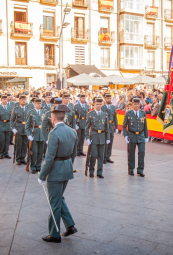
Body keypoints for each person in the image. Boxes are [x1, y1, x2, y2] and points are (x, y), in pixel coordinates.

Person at [38, 103, 77, 243]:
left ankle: (54, 234)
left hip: (55, 171)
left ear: (53, 118)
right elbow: (74, 153)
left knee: (54, 203)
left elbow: (49, 158)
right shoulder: (72, 131)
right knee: (59, 198)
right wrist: (68, 165)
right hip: (67, 168)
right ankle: (70, 225)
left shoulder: (54, 133)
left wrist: (42, 175)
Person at [122, 98, 149, 177]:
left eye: (138, 104)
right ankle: (131, 169)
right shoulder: (128, 113)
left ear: (139, 105)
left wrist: (146, 136)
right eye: (135, 104)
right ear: (132, 105)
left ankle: (140, 170)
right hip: (132, 135)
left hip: (141, 136)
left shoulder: (142, 113)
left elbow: (145, 126)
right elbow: (124, 126)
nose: (136, 105)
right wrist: (126, 135)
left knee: (141, 152)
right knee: (131, 154)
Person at [85, 97, 110, 178]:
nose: (99, 106)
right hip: (94, 137)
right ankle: (91, 170)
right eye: (97, 104)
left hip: (102, 137)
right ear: (94, 104)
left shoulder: (104, 114)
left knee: (101, 156)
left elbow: (107, 127)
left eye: (100, 104)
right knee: (93, 155)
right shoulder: (90, 114)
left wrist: (108, 138)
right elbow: (86, 128)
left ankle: (99, 172)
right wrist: (87, 138)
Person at [25, 98, 45, 173]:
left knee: (40, 152)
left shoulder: (44, 112)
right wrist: (28, 134)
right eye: (38, 104)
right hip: (34, 134)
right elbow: (27, 125)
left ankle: (38, 166)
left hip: (42, 135)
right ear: (34, 104)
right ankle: (33, 166)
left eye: (40, 104)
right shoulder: (31, 112)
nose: (39, 105)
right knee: (34, 152)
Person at [10, 94, 29, 165]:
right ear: (19, 100)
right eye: (22, 100)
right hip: (19, 128)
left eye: (24, 100)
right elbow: (12, 120)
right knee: (19, 144)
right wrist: (13, 128)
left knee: (24, 144)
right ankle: (18, 159)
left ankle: (23, 158)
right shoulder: (16, 109)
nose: (23, 101)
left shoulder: (28, 108)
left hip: (26, 128)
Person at [102, 93, 119, 164]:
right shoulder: (103, 107)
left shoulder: (113, 107)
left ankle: (108, 156)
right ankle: (103, 157)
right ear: (105, 99)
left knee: (110, 142)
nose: (109, 100)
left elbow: (115, 117)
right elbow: (102, 118)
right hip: (105, 127)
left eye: (110, 98)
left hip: (111, 127)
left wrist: (117, 127)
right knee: (105, 142)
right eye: (108, 98)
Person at [0, 95, 12, 159]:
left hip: (8, 125)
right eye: (4, 99)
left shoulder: (9, 107)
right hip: (1, 125)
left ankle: (6, 153)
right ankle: (1, 153)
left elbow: (12, 118)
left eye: (6, 99)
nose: (5, 101)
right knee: (2, 140)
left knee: (7, 140)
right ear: (1, 100)